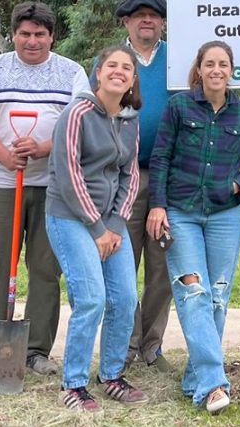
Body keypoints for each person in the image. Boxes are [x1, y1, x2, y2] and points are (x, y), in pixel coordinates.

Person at [0, 2, 90, 379]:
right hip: (3, 183)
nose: (31, 41)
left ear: (52, 36)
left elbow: (80, 122)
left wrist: (44, 148)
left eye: (39, 34)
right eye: (24, 34)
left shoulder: (71, 72)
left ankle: (36, 350)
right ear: (14, 35)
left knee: (45, 269)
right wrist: (3, 156)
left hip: (54, 184)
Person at [146, 41, 240, 414]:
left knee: (216, 294)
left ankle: (195, 379)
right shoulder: (179, 106)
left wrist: (236, 185)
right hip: (180, 211)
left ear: (231, 71)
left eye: (223, 64)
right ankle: (214, 384)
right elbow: (160, 157)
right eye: (209, 63)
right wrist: (157, 206)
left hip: (224, 215)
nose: (216, 70)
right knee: (193, 291)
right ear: (199, 69)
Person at [47, 45, 148, 412]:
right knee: (91, 298)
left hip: (110, 222)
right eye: (112, 66)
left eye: (127, 68)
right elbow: (69, 173)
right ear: (99, 72)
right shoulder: (78, 112)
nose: (119, 72)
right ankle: (73, 384)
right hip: (70, 217)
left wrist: (116, 223)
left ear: (133, 79)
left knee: (124, 299)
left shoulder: (129, 119)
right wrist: (96, 227)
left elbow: (130, 173)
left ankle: (111, 376)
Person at [100, 0, 174, 371]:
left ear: (162, 23)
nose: (147, 21)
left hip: (166, 178)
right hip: (121, 176)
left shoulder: (177, 59)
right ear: (125, 22)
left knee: (161, 265)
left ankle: (152, 345)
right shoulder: (115, 61)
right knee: (122, 262)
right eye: (139, 16)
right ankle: (125, 344)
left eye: (154, 16)